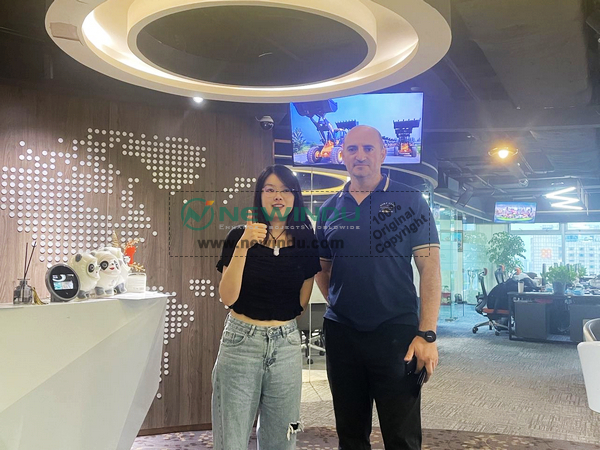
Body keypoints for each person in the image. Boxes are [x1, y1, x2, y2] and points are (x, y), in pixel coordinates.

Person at [315, 125, 441, 450]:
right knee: (350, 435)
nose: (360, 156)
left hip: (396, 333)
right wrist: (341, 302)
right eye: (352, 149)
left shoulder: (410, 200)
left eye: (368, 148)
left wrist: (427, 334)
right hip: (342, 334)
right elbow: (322, 269)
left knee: (401, 437)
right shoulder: (329, 209)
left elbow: (429, 268)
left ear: (383, 154)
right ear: (341, 155)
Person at [212, 164, 321, 450]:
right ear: (259, 196)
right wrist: (243, 246)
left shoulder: (305, 241)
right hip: (241, 342)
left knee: (283, 436)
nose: (278, 196)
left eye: (286, 190)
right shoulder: (238, 236)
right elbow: (228, 297)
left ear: (295, 197)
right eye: (270, 189)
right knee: (231, 438)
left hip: (286, 345)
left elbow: (302, 298)